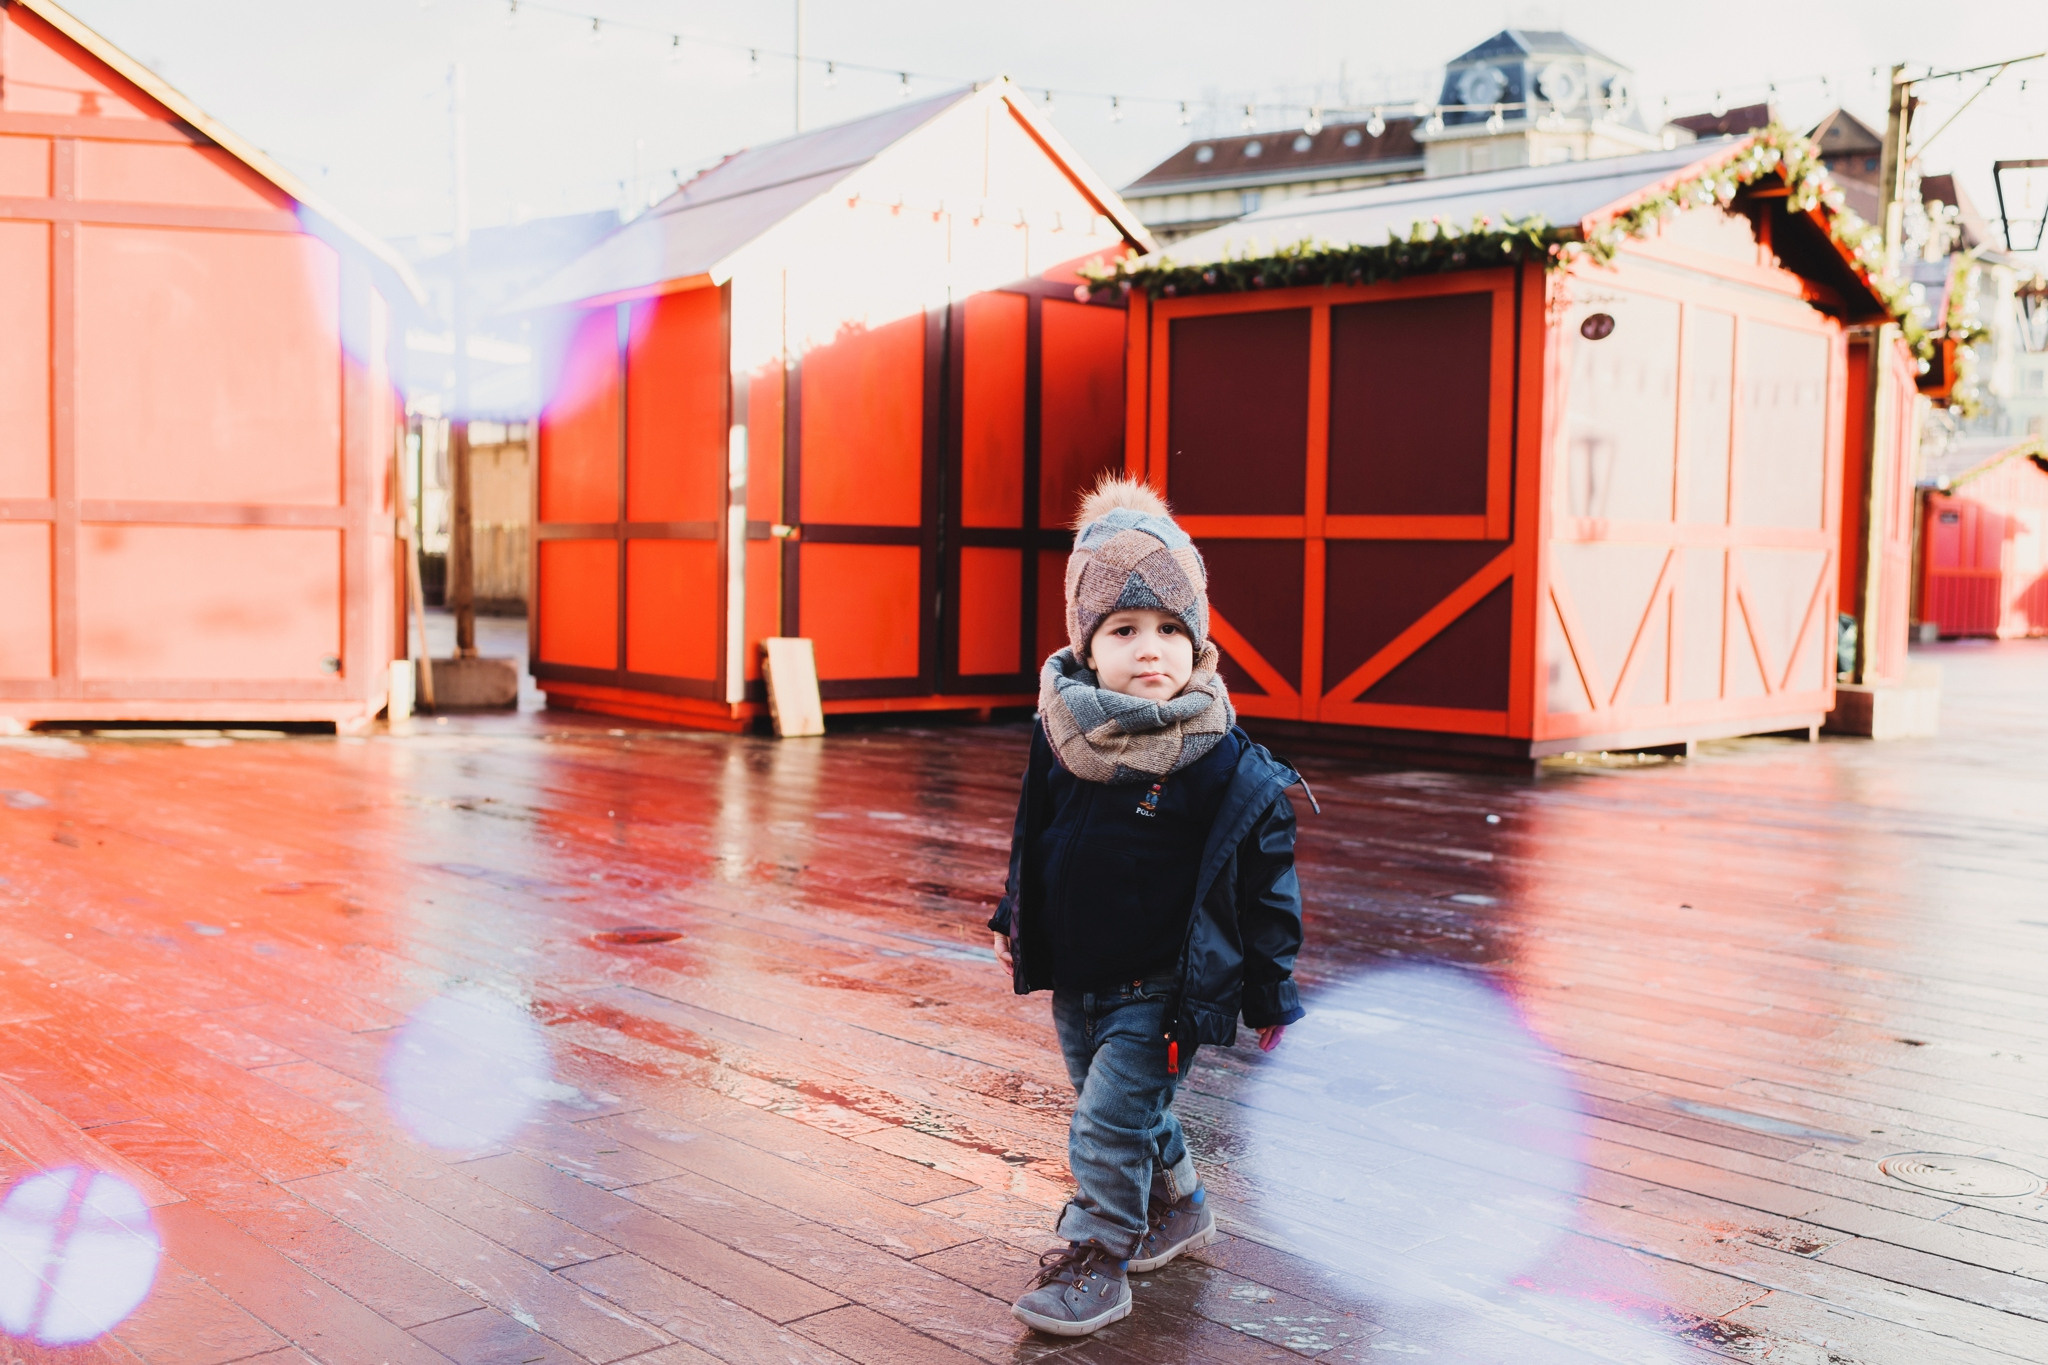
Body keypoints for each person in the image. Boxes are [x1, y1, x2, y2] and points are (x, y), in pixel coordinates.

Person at [986, 474, 1308, 1337]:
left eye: (1171, 629)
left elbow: (1266, 883)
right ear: (1088, 645)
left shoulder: (1219, 758)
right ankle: (1183, 1205)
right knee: (1123, 1109)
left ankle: (1099, 1256)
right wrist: (1013, 914)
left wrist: (1271, 989)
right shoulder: (1065, 730)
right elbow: (1036, 827)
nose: (1150, 649)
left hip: (1163, 985)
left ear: (1197, 639)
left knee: (1105, 1123)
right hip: (1079, 973)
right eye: (1124, 630)